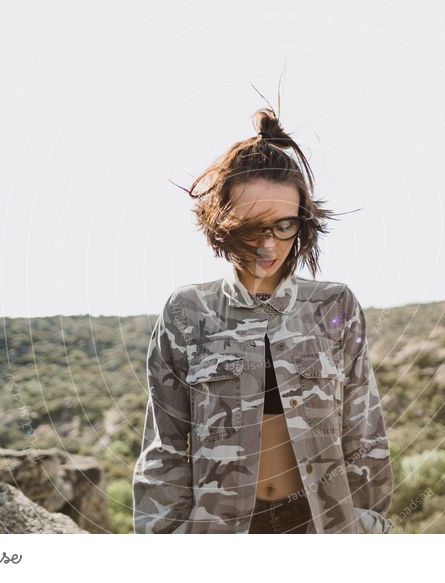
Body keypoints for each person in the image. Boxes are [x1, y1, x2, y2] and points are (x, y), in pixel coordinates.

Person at [131, 100, 393, 534]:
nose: (268, 246)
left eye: (284, 226)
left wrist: (370, 525)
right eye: (251, 227)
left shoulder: (334, 307)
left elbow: (364, 433)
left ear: (302, 223)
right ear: (221, 223)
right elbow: (167, 448)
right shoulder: (187, 313)